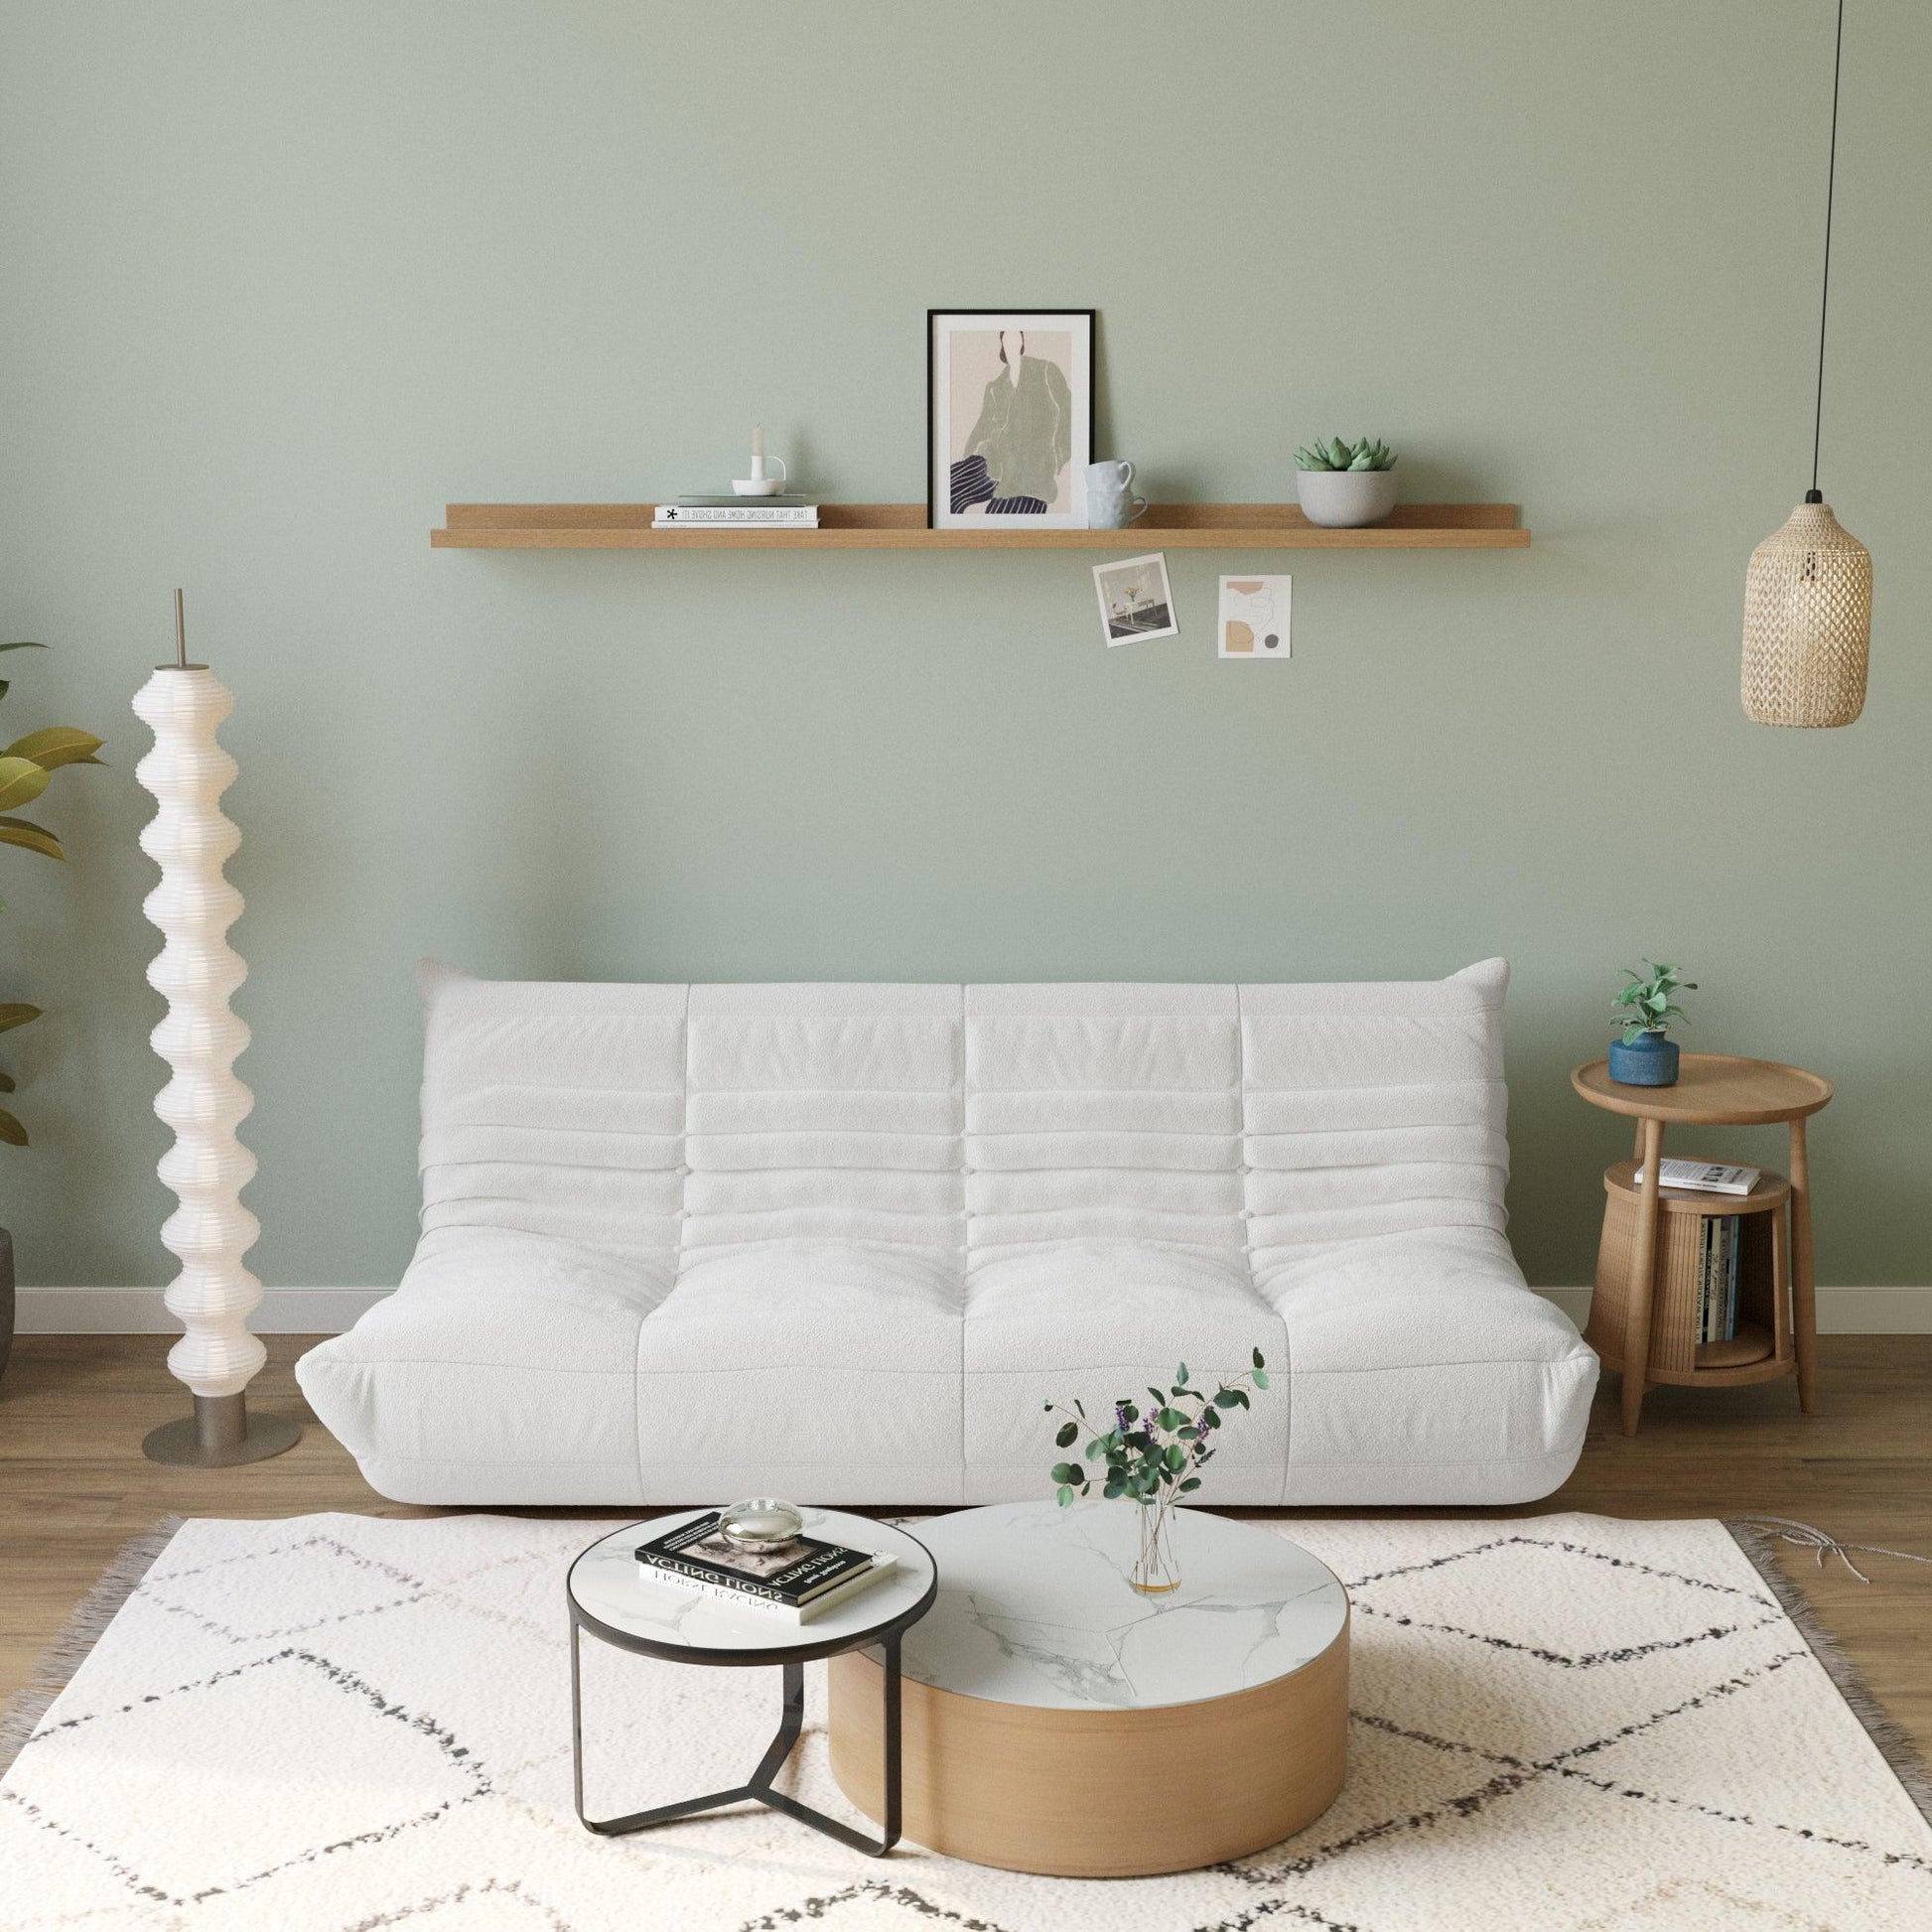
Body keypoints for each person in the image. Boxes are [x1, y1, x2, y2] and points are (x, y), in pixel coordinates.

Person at [950, 330, 1072, 514]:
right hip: (990, 460)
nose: (1012, 345)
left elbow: (1069, 411)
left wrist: (1061, 455)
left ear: (1022, 342)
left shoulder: (1046, 371)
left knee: (999, 521)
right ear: (1002, 345)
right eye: (1007, 340)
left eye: (1016, 339)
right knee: (948, 490)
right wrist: (968, 454)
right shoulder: (995, 386)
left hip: (1030, 471)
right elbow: (982, 426)